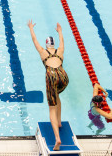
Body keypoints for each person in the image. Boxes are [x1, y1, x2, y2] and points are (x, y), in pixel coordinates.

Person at [28, 20, 69, 151]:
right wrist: (60, 31)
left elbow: (34, 40)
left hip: (51, 77)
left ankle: (57, 139)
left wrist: (31, 28)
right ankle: (59, 122)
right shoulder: (60, 50)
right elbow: (62, 41)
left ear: (46, 45)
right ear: (54, 45)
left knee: (52, 107)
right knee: (57, 96)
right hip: (63, 77)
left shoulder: (43, 52)